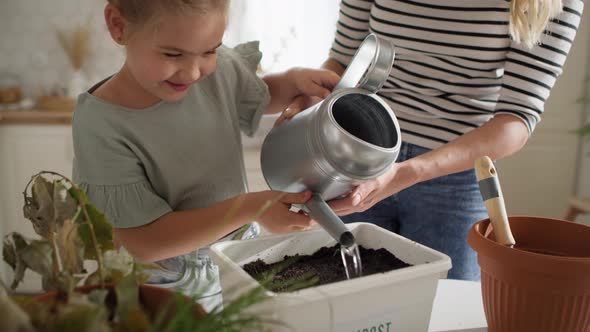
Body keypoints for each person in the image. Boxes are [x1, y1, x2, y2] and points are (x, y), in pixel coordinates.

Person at [276, 0, 584, 280]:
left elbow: (515, 121)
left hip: (452, 182)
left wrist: (407, 171)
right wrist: (308, 104)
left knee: (444, 315)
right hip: (355, 161)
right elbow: (344, 61)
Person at [71, 0, 340, 311]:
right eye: (173, 55)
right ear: (118, 26)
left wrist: (292, 80)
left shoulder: (218, 69)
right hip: (162, 285)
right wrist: (251, 207)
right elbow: (140, 242)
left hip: (238, 257)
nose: (195, 71)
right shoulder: (102, 123)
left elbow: (256, 94)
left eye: (210, 50)